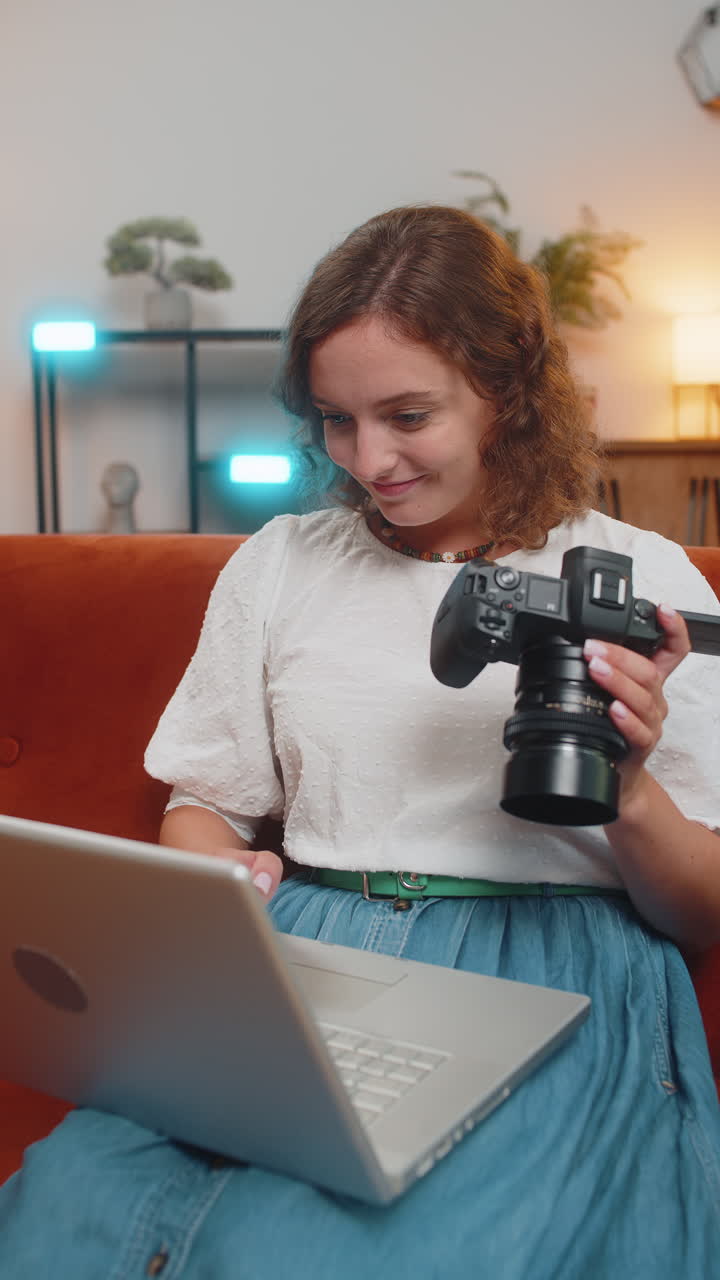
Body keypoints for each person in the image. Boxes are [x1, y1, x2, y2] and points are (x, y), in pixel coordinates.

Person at [1, 205, 719, 1278]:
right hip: (308, 955)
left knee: (356, 1249)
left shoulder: (639, 576)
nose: (368, 457)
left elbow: (701, 908)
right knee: (66, 1210)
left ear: (506, 391)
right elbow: (201, 802)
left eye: (408, 414)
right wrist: (218, 881)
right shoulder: (285, 562)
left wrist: (629, 787)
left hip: (551, 963)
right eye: (337, 419)